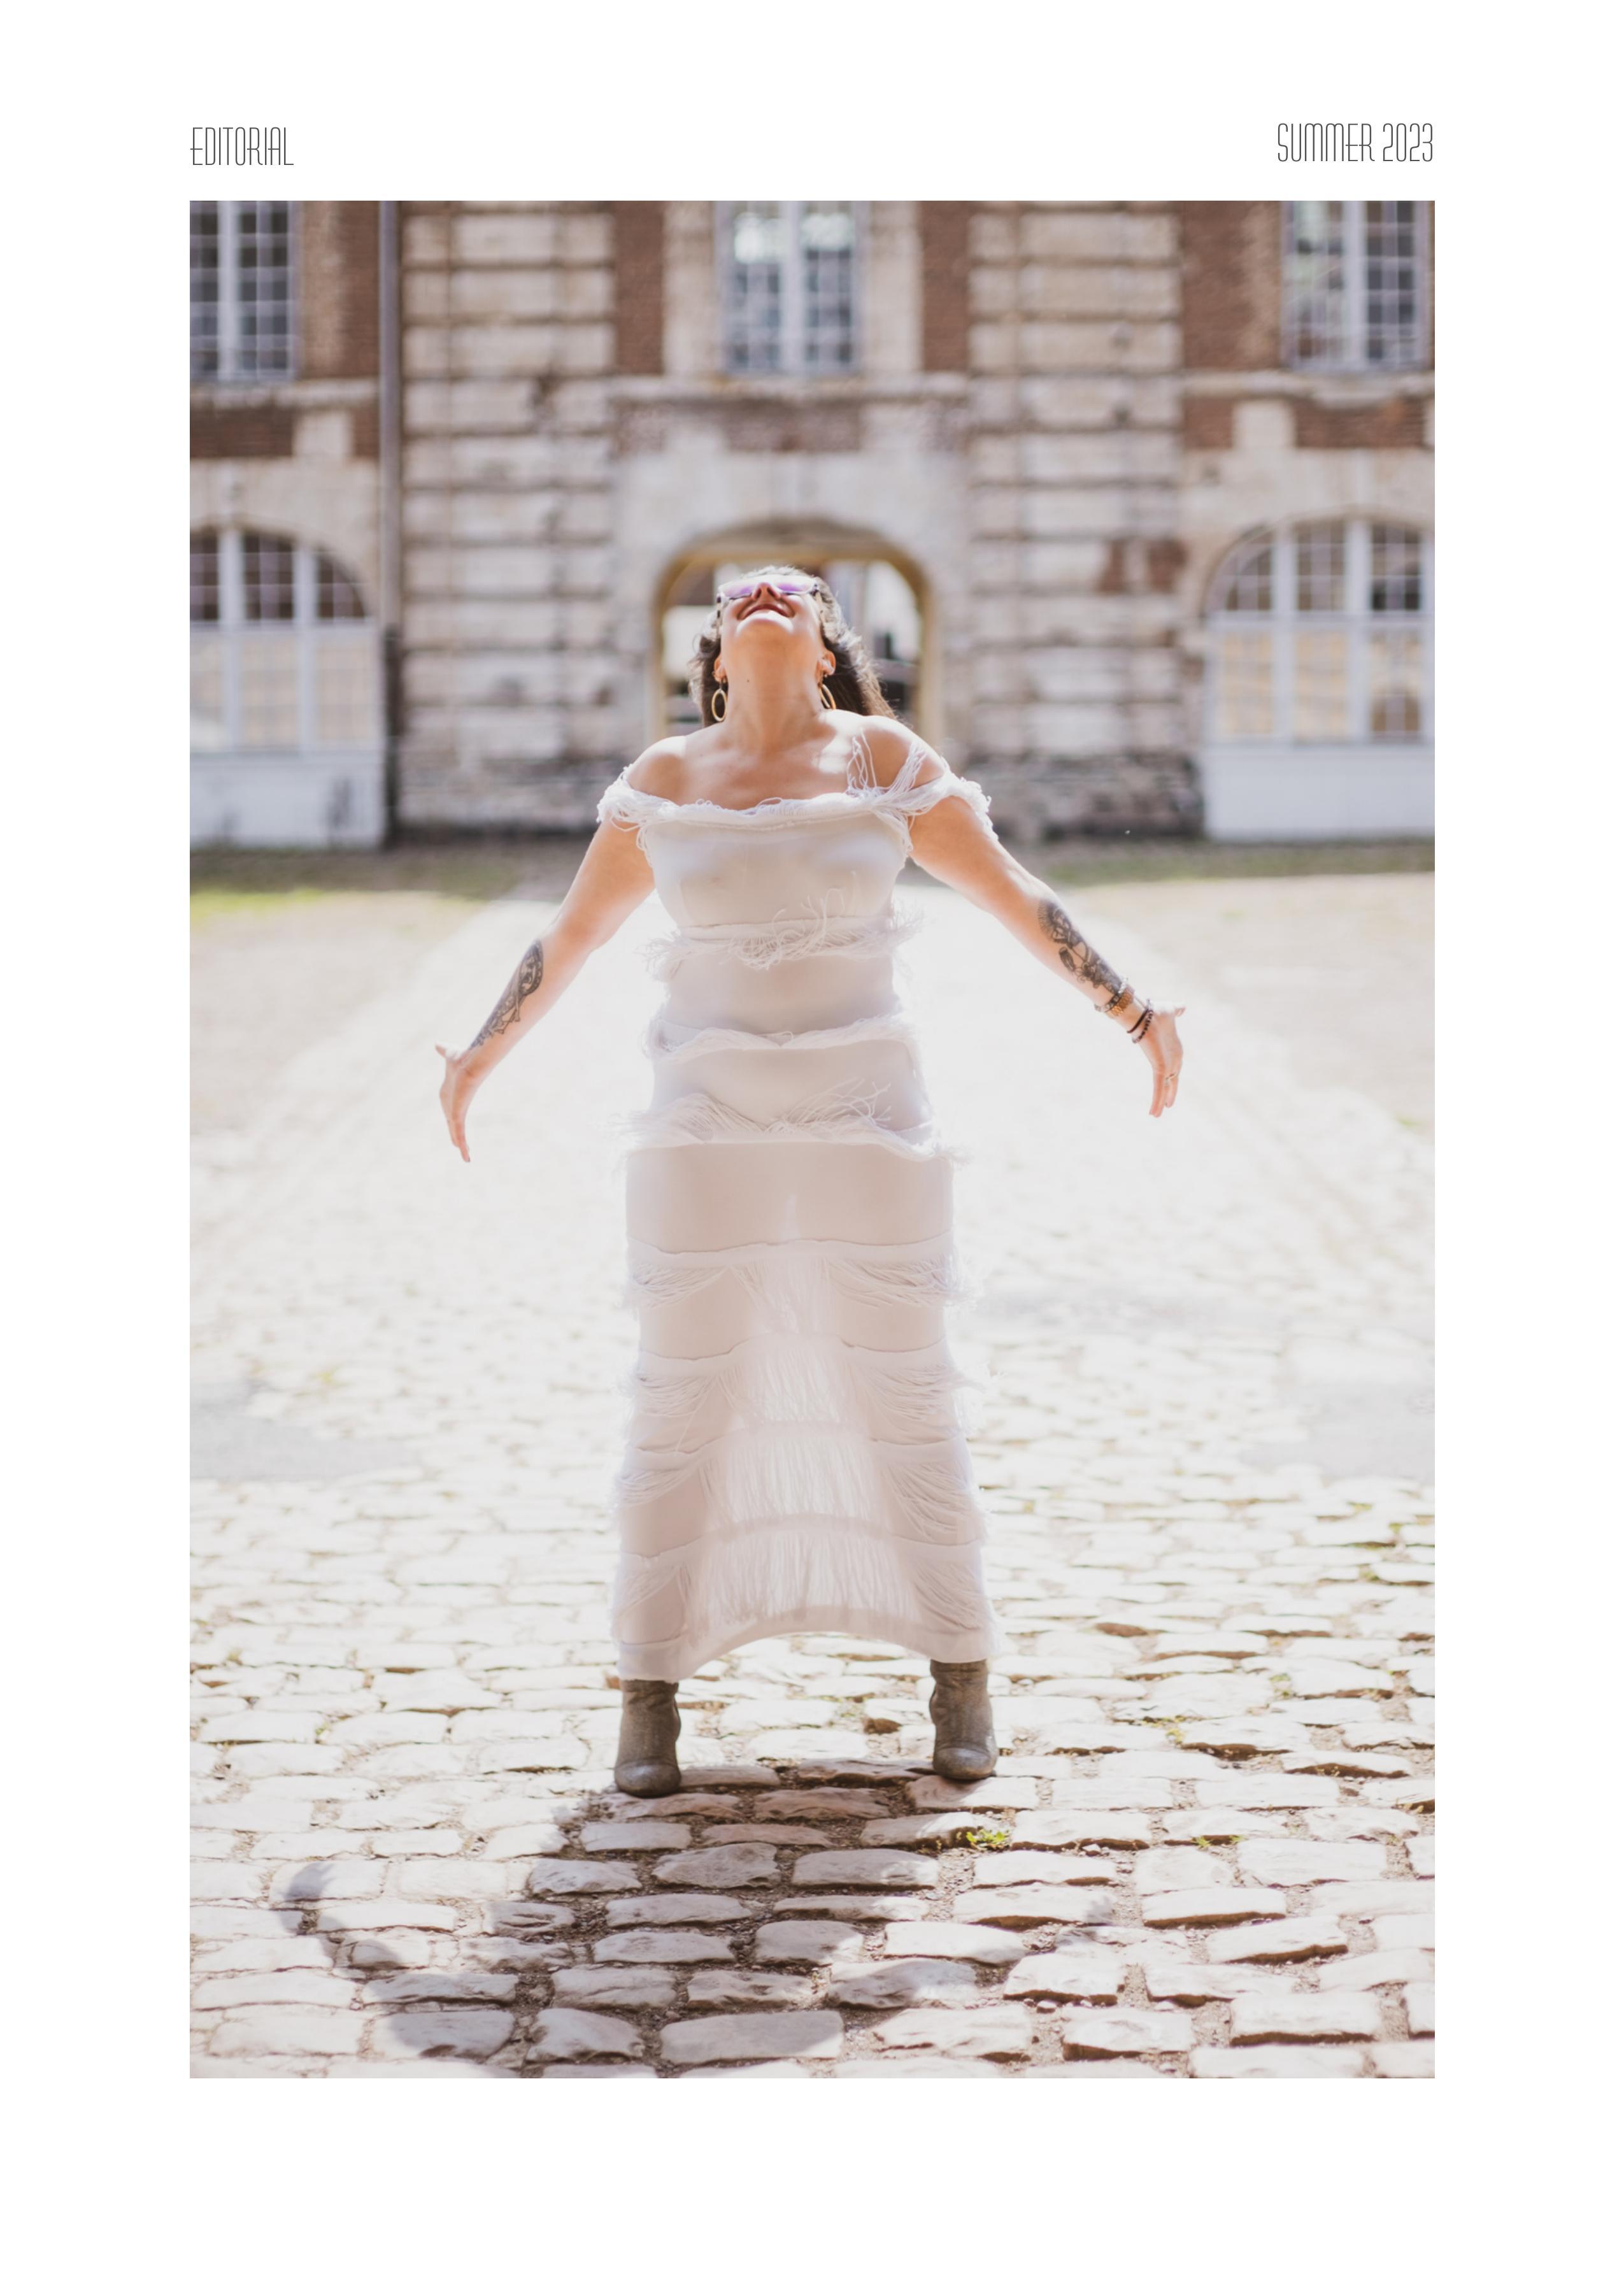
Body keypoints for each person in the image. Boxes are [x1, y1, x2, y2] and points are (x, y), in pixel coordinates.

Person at [436, 568, 1184, 1797]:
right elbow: (568, 937)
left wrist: (1132, 1009)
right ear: (715, 652)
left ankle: (960, 1671)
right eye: (742, 594)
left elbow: (1013, 894)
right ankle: (649, 1693)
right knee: (683, 1394)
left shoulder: (882, 760)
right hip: (702, 1127)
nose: (766, 595)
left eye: (795, 590)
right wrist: (477, 1055)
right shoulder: (664, 777)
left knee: (902, 1388)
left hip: (866, 1122)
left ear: (829, 645)